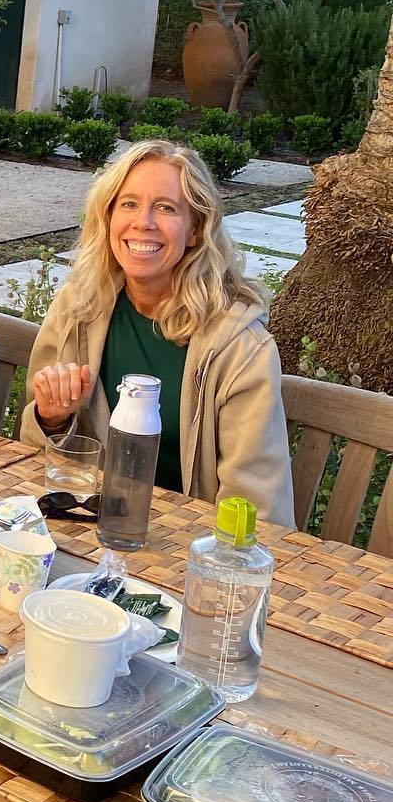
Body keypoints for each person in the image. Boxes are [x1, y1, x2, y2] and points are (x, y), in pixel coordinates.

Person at [19, 139, 294, 526]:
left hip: (187, 539)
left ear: (196, 229)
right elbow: (32, 456)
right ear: (108, 217)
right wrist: (52, 418)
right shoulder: (79, 307)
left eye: (166, 208)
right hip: (87, 525)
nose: (143, 222)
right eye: (129, 204)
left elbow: (256, 506)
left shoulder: (238, 346)